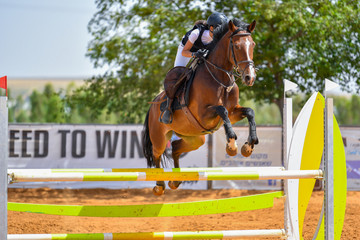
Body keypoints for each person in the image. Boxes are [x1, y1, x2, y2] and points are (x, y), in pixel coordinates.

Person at [160, 12, 228, 124]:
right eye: (219, 30)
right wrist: (195, 54)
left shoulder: (216, 38)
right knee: (177, 75)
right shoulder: (196, 33)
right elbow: (185, 51)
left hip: (202, 52)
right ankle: (168, 107)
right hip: (187, 51)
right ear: (211, 28)